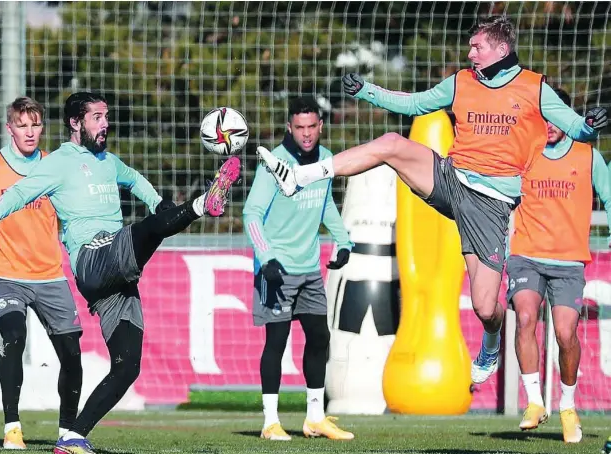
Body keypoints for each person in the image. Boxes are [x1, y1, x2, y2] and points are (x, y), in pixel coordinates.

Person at [255, 16, 608, 385]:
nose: (470, 52)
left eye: (477, 46)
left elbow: (577, 128)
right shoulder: (462, 82)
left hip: (490, 207)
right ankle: (298, 176)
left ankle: (490, 343)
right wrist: (366, 90)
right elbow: (416, 104)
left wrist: (591, 122)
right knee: (391, 143)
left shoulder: (534, 88)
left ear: (501, 50)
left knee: (486, 307)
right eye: (470, 45)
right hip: (451, 179)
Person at [0, 92, 241, 454]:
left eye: (106, 117)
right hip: (93, 258)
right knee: (145, 231)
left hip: (118, 278)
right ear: (75, 123)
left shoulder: (107, 161)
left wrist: (156, 203)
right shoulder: (58, 163)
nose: (105, 124)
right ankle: (202, 204)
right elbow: (15, 196)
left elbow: (135, 179)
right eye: (97, 118)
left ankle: (73, 435)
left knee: (127, 366)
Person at [0, 97, 83, 450]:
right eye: (21, 125)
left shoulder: (54, 168)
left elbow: (68, 224)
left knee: (71, 353)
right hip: (5, 274)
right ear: (10, 128)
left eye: (35, 125)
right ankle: (12, 428)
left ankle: (68, 431)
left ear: (43, 128)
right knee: (14, 337)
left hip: (51, 276)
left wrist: (83, 265)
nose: (29, 132)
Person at [244, 97, 354, 441]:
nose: (306, 134)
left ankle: (315, 418)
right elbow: (251, 214)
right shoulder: (274, 164)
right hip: (275, 269)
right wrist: (266, 258)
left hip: (308, 269)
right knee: (276, 341)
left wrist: (344, 242)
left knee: (320, 337)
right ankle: (270, 422)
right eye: (299, 127)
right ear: (289, 128)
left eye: (312, 127)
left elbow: (326, 207)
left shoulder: (324, 161)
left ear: (321, 126)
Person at [508, 88, 611, 443]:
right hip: (526, 253)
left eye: (555, 116)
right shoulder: (523, 154)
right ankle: (534, 401)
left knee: (566, 334)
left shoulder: (588, 156)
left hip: (568, 261)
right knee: (524, 318)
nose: (548, 124)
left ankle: (567, 405)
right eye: (542, 116)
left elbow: (609, 195)